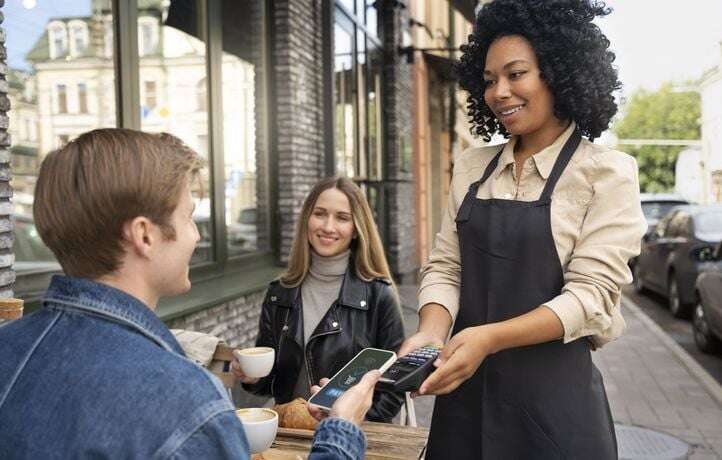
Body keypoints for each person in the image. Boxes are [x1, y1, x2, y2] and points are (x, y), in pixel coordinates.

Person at [0, 129, 378, 460]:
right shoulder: (187, 404)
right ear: (145, 235)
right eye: (187, 217)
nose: (196, 236)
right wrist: (342, 430)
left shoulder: (7, 348)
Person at [400, 1, 647, 458]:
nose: (499, 92)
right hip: (465, 403)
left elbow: (591, 297)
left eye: (516, 74)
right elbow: (445, 267)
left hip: (554, 413)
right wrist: (432, 333)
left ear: (557, 71)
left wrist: (488, 338)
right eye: (490, 79)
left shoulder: (605, 173)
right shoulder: (473, 166)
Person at [234, 176, 405, 422]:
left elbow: (393, 388)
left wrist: (344, 421)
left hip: (350, 438)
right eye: (320, 214)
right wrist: (253, 377)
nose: (328, 226)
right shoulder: (279, 292)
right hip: (290, 434)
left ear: (357, 228)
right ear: (306, 219)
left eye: (342, 218)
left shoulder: (378, 294)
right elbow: (270, 383)